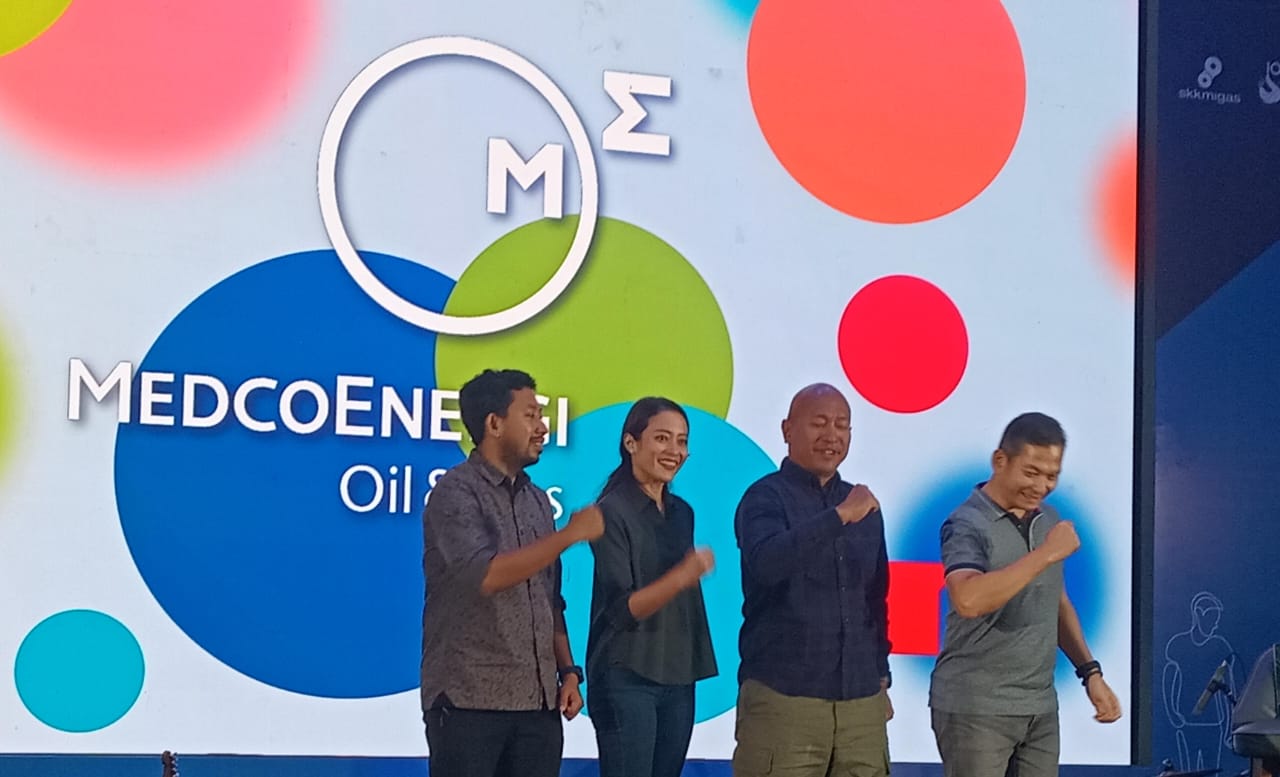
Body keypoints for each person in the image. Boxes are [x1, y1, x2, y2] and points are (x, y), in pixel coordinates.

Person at [420, 369, 604, 777]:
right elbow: (485, 575)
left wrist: (568, 672)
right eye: (531, 415)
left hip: (538, 705)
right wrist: (570, 534)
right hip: (469, 701)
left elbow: (549, 598)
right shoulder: (456, 491)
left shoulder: (537, 500)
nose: (543, 427)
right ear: (494, 423)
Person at [929, 412, 1123, 777]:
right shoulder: (966, 523)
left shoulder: (1049, 519)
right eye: (1031, 472)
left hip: (1040, 708)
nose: (1041, 486)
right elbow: (968, 599)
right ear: (1000, 460)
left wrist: (1090, 673)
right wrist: (1046, 554)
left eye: (1052, 476)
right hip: (976, 707)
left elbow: (1056, 602)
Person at [732, 383, 892, 777]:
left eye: (842, 425)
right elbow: (767, 563)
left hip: (861, 704)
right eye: (819, 423)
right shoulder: (764, 497)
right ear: (787, 430)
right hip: (785, 699)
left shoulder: (864, 505)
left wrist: (880, 676)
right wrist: (839, 517)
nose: (832, 435)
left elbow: (874, 598)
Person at [586, 396, 719, 777]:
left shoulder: (682, 513)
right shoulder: (610, 512)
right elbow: (622, 609)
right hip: (626, 675)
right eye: (662, 438)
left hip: (678, 673)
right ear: (631, 442)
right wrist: (682, 575)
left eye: (682, 441)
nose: (674, 450)